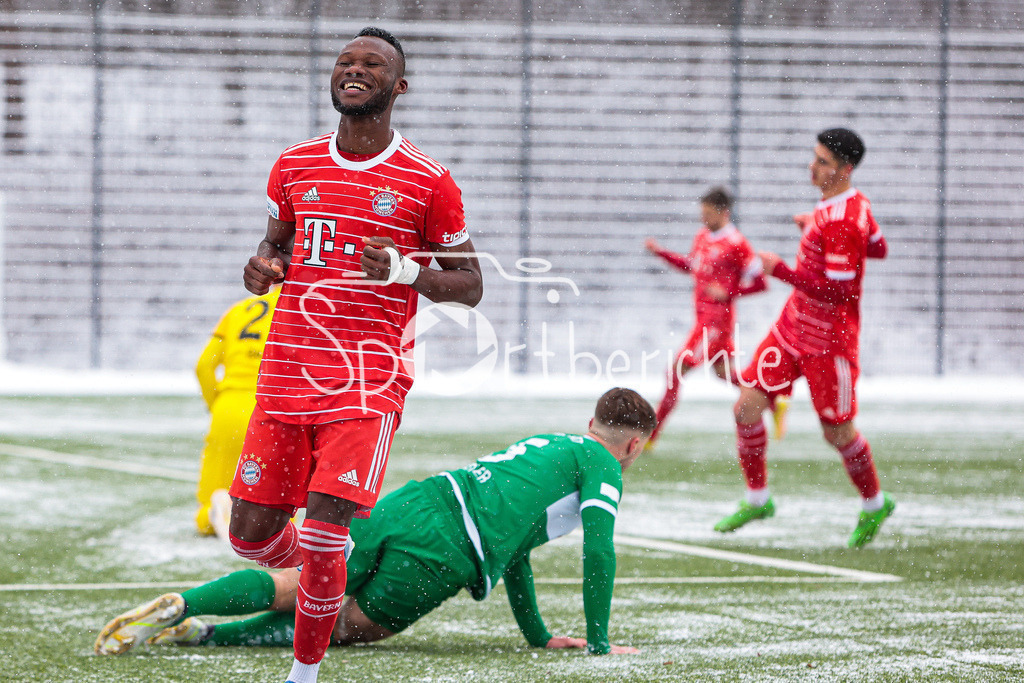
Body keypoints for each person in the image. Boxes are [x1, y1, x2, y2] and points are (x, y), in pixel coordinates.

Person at [230, 27, 483, 683]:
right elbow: (274, 248)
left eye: (372, 63)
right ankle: (327, 567)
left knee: (321, 530)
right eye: (345, 60)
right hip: (286, 372)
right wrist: (262, 268)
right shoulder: (293, 164)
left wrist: (404, 271)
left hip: (367, 379)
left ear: (398, 87)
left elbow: (470, 287)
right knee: (249, 536)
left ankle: (304, 671)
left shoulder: (429, 182)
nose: (354, 68)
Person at [94, 388, 656, 658]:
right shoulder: (605, 463)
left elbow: (517, 554)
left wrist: (538, 635)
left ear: (590, 422)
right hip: (448, 547)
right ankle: (210, 635)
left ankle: (185, 608)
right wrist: (599, 644)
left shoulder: (552, 443)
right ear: (633, 443)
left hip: (416, 500)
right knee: (346, 625)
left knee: (306, 582)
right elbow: (600, 552)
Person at [714, 128, 893, 548]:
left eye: (823, 162)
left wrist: (783, 271)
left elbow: (841, 291)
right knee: (745, 408)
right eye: (814, 158)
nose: (812, 167)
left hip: (828, 344)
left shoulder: (845, 220)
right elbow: (879, 248)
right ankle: (758, 499)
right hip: (793, 328)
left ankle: (874, 503)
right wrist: (813, 225)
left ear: (845, 170)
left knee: (838, 434)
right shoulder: (850, 205)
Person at [644, 187, 768, 448]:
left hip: (715, 321)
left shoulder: (737, 243)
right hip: (702, 318)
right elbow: (691, 265)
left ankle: (651, 436)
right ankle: (772, 398)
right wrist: (661, 253)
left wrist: (729, 292)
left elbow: (760, 283)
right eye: (702, 213)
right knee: (725, 374)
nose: (704, 219)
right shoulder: (702, 236)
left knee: (675, 372)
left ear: (724, 212)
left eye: (709, 213)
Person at [193, 286, 280, 537]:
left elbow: (203, 367)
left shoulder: (238, 310)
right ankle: (266, 528)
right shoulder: (302, 310)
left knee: (212, 494)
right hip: (270, 406)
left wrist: (217, 405)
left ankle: (211, 518)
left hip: (229, 405)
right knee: (274, 493)